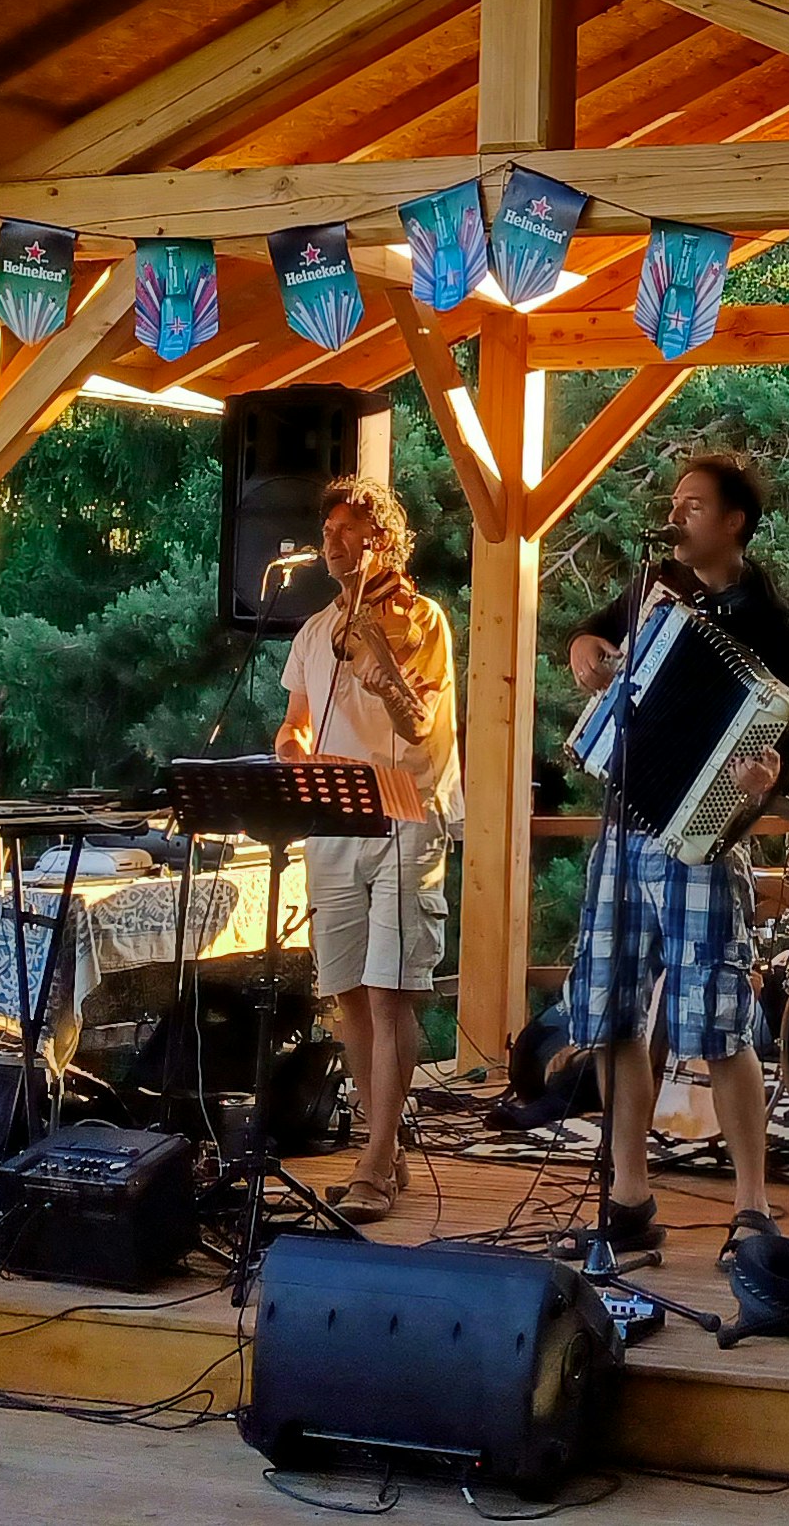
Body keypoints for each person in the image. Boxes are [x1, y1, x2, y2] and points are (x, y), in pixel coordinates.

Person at [562, 448, 789, 1272]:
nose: (678, 515)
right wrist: (587, 655)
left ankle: (751, 1204)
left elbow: (787, 744)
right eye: (675, 502)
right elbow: (588, 638)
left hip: (700, 835)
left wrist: (756, 785)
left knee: (716, 1020)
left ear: (734, 522)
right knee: (614, 1011)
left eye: (694, 504)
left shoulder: (767, 624)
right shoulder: (651, 584)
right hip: (625, 817)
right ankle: (629, 1197)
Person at [272, 474, 458, 1223]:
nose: (337, 544)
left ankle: (376, 1159)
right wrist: (290, 748)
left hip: (406, 820)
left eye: (353, 533)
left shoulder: (424, 619)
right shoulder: (315, 629)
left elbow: (418, 726)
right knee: (348, 988)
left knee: (390, 988)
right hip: (334, 820)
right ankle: (385, 1142)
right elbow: (296, 721)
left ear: (384, 540)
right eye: (330, 535)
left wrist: (380, 661)